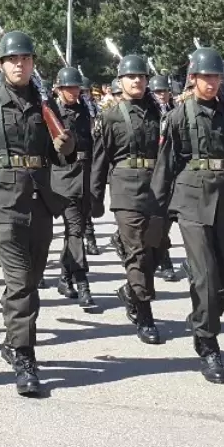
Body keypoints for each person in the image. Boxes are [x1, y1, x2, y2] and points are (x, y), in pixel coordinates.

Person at [0, 31, 77, 396]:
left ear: (33, 64)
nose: (19, 64)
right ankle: (26, 358)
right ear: (0, 66)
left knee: (30, 281)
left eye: (26, 58)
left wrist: (67, 145)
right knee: (18, 282)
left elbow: (63, 155)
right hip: (1, 203)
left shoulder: (49, 105)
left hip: (40, 201)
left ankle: (14, 341)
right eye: (12, 59)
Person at [152, 46, 224, 384]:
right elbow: (165, 166)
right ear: (193, 79)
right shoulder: (178, 116)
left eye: (215, 76)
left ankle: (201, 321)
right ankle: (208, 343)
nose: (211, 83)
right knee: (206, 277)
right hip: (192, 200)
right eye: (204, 77)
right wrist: (156, 218)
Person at [91, 55, 165, 344]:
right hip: (125, 190)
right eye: (131, 77)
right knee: (137, 254)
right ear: (120, 81)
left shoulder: (159, 114)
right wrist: (95, 198)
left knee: (157, 250)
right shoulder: (110, 116)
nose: (137, 81)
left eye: (142, 77)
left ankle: (130, 291)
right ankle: (145, 315)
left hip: (156, 190)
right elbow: (99, 160)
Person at [50, 66, 96, 309]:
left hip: (85, 176)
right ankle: (82, 281)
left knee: (74, 232)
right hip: (65, 178)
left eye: (76, 87)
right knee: (76, 230)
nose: (74, 92)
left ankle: (64, 276)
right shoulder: (53, 110)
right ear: (59, 89)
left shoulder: (85, 110)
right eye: (69, 88)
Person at [148, 73, 179, 281]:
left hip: (171, 172)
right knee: (156, 222)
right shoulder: (148, 113)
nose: (162, 95)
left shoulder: (176, 112)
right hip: (151, 173)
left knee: (166, 220)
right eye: (158, 91)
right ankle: (163, 260)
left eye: (165, 91)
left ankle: (161, 258)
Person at [80, 72, 102, 257]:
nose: (85, 93)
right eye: (82, 91)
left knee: (87, 203)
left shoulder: (92, 107)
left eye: (87, 91)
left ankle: (91, 239)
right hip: (72, 163)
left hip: (90, 157)